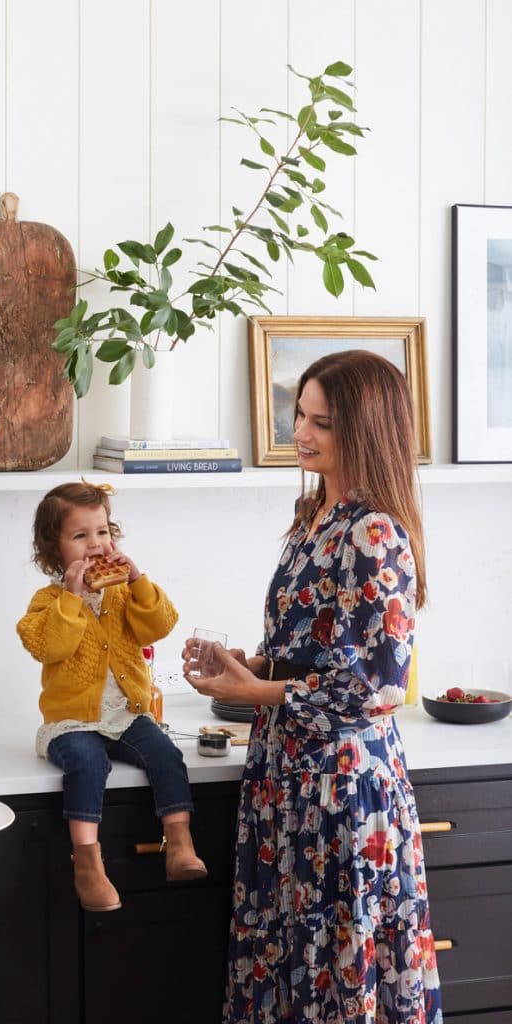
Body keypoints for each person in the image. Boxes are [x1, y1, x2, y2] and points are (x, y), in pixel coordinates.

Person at [183, 351, 443, 1024]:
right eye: (299, 413)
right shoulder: (312, 518)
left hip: (342, 789)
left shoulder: (374, 531)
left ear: (365, 429)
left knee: (335, 973)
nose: (301, 431)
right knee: (288, 962)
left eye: (321, 422)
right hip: (286, 777)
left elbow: (378, 686)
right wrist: (247, 667)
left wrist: (257, 693)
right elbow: (311, 656)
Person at [17, 480, 206, 913]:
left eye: (102, 532)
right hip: (71, 721)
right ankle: (88, 865)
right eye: (80, 536)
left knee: (165, 753)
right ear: (53, 549)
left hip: (125, 714)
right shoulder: (48, 602)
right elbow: (50, 647)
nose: (95, 544)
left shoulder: (124, 593)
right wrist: (72, 596)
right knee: (87, 763)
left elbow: (160, 623)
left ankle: (179, 843)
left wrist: (137, 578)